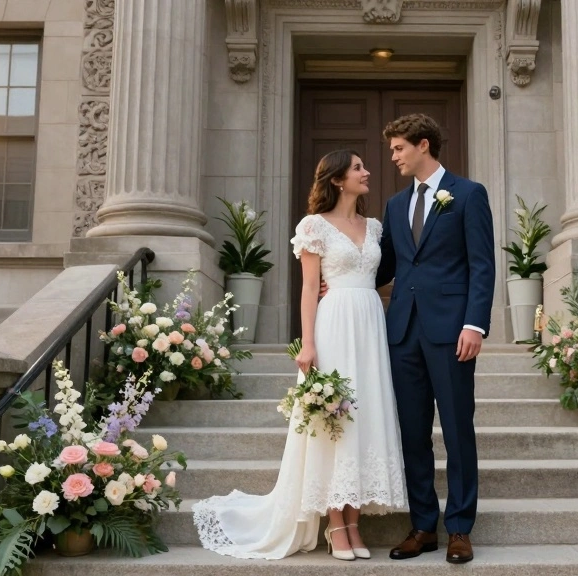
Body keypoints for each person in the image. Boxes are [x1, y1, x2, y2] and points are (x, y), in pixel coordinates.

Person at [191, 150, 407, 561]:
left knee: (365, 416)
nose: (367, 173)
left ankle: (355, 521)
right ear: (338, 179)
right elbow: (310, 288)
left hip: (370, 324)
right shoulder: (313, 226)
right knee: (335, 418)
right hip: (334, 325)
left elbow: (381, 275)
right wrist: (308, 343)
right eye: (358, 167)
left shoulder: (375, 227)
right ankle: (335, 526)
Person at [376, 113, 496, 564]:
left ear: (422, 145)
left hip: (451, 331)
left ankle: (460, 527)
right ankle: (423, 525)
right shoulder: (393, 205)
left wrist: (474, 324)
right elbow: (387, 265)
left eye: (398, 149)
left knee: (458, 429)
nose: (393, 157)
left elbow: (481, 264)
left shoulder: (468, 194)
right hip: (402, 330)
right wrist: (341, 278)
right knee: (412, 433)